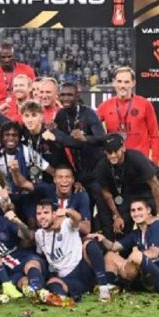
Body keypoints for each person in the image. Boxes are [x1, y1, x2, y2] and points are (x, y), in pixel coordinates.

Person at [44, 82, 107, 235]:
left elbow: (101, 139)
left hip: (96, 171)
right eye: (63, 95)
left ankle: (106, 244)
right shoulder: (60, 115)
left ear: (77, 96)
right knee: (84, 213)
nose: (66, 98)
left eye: (70, 95)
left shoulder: (88, 114)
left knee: (104, 210)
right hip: (79, 174)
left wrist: (84, 138)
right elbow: (63, 145)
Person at [89, 199, 159, 294]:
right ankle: (110, 287)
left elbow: (153, 253)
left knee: (136, 255)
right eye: (133, 210)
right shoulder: (136, 233)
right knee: (110, 256)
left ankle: (122, 282)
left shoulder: (158, 226)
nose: (136, 213)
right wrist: (103, 239)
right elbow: (113, 247)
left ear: (148, 210)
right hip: (144, 279)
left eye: (140, 209)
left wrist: (128, 262)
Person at [35, 199, 111, 303]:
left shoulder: (66, 223)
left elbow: (78, 218)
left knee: (90, 244)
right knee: (52, 283)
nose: (42, 216)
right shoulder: (39, 235)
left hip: (83, 267)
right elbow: (41, 255)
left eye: (46, 213)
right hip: (67, 277)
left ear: (54, 214)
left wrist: (67, 211)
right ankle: (67, 298)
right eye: (39, 213)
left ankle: (104, 288)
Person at [97, 133, 159, 238]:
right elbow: (106, 194)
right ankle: (124, 252)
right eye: (109, 152)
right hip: (131, 192)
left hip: (153, 190)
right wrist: (116, 216)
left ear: (123, 148)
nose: (112, 155)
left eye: (115, 151)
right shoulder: (102, 165)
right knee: (122, 227)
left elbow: (155, 185)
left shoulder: (136, 158)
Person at [0, 122, 53, 226]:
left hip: (26, 192)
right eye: (7, 135)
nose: (11, 138)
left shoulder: (27, 152)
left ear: (19, 138)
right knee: (8, 221)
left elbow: (48, 168)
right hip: (7, 194)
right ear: (2, 137)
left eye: (14, 135)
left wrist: (69, 180)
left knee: (32, 221)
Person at [96, 66, 159, 163]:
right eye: (119, 81)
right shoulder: (104, 106)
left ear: (133, 83)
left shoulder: (145, 104)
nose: (122, 85)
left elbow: (154, 135)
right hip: (115, 161)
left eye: (126, 82)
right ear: (114, 82)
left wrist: (155, 161)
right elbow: (92, 131)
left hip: (140, 162)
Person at [11, 164, 91, 236]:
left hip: (71, 237)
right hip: (48, 236)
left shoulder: (81, 195)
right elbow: (23, 184)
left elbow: (87, 228)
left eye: (68, 177)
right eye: (60, 177)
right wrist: (15, 171)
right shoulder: (47, 189)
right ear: (54, 180)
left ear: (73, 180)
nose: (64, 181)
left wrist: (69, 222)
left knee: (91, 244)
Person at [19, 100, 65, 184]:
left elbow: (63, 160)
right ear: (22, 117)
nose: (30, 120)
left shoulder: (51, 133)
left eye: (34, 115)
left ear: (41, 117)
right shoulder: (20, 132)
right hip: (30, 182)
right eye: (26, 116)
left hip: (51, 181)